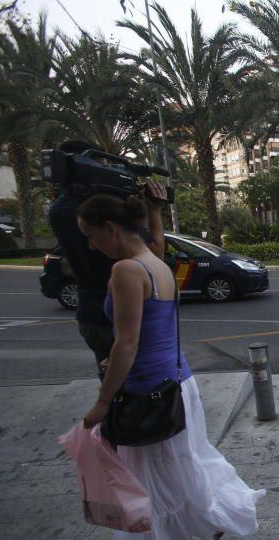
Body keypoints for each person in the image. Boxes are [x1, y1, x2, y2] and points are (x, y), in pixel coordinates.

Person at [77, 193, 264, 540]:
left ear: (111, 228)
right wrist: (156, 211)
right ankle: (197, 530)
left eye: (92, 236)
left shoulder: (126, 270)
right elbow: (156, 247)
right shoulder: (155, 265)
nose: (91, 246)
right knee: (181, 465)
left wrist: (101, 402)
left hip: (147, 391)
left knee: (155, 476)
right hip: (176, 383)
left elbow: (126, 342)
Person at [48, 140, 166, 373]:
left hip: (90, 316)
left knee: (117, 388)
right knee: (135, 388)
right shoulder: (106, 209)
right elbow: (154, 255)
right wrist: (153, 211)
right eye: (104, 163)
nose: (93, 245)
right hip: (124, 315)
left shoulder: (59, 210)